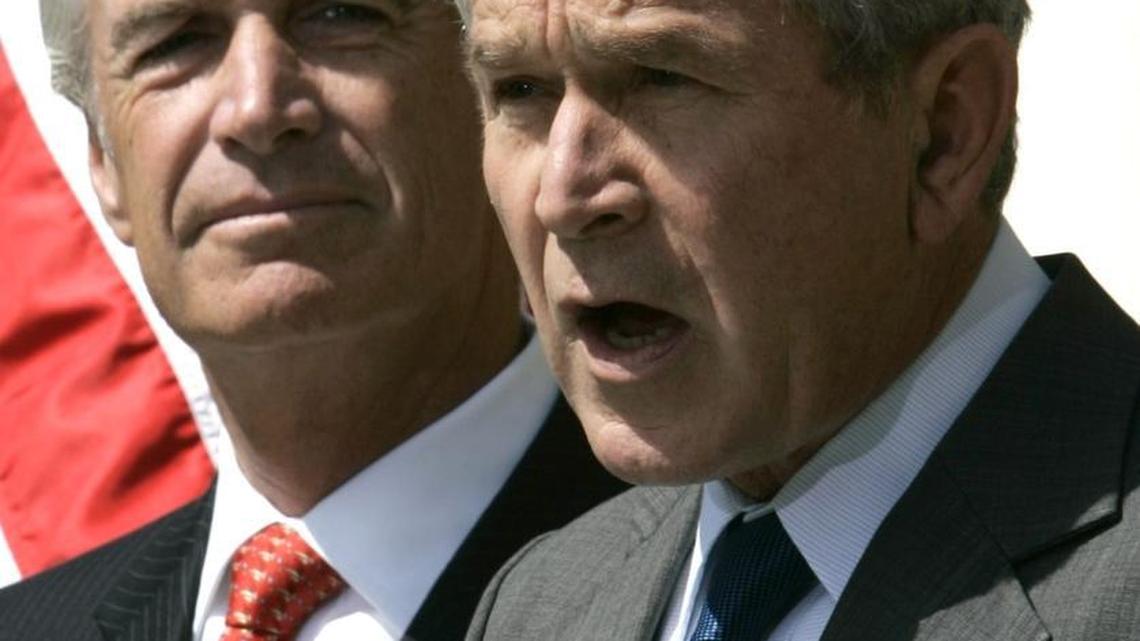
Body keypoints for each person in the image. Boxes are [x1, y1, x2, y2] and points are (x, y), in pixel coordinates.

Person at [458, 0, 1140, 639]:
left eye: (662, 77)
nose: (562, 196)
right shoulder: (536, 603)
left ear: (944, 132)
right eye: (520, 90)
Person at [0, 0, 626, 639]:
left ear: (496, 91)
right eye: (175, 44)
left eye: (339, 15)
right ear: (102, 163)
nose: (257, 109)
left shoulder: (686, 576)